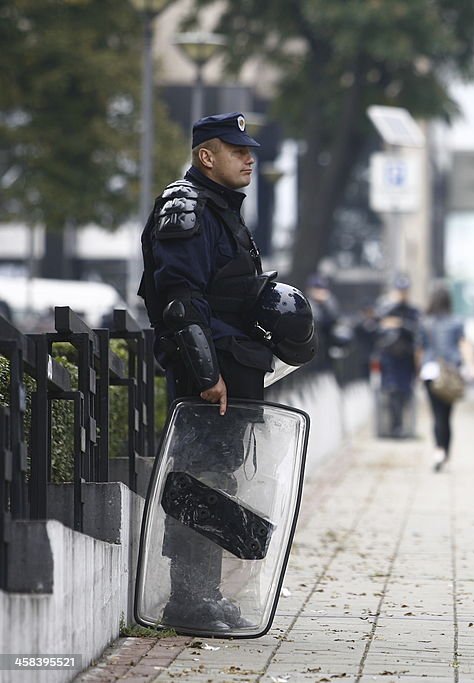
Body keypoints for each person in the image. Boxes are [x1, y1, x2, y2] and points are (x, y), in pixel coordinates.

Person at [138, 112, 312, 631]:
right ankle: (187, 600)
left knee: (219, 480)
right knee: (198, 480)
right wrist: (207, 372)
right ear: (205, 157)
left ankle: (205, 593)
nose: (249, 158)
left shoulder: (221, 209)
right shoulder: (186, 209)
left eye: (249, 150)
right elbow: (179, 302)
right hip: (208, 374)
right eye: (236, 151)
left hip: (231, 368)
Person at [418, 285, 474, 472]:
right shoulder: (457, 322)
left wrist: (417, 370)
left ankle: (438, 450)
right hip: (451, 373)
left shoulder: (425, 322)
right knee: (447, 416)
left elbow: (419, 350)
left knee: (436, 415)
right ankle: (446, 453)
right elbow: (464, 345)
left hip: (430, 372)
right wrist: (473, 366)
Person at [376, 276, 420, 437]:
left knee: (405, 392)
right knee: (392, 390)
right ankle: (395, 427)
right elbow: (378, 328)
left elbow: (416, 331)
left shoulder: (412, 311)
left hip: (406, 358)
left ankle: (401, 426)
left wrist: (400, 323)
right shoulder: (386, 309)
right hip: (389, 357)